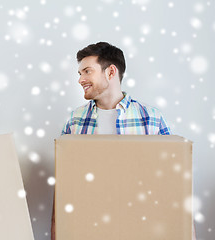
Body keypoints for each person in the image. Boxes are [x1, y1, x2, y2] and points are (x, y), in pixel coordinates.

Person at [51, 41, 187, 239]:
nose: (81, 79)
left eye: (87, 71)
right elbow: (63, 180)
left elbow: (172, 182)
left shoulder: (151, 118)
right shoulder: (75, 120)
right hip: (89, 226)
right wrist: (56, 226)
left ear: (111, 72)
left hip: (140, 227)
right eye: (79, 74)